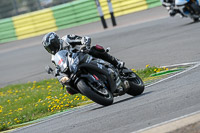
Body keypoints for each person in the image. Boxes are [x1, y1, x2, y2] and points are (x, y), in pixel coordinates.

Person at [42, 32, 124, 94]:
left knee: (96, 49)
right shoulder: (54, 58)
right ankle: (92, 90)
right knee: (69, 89)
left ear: (56, 40)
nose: (52, 48)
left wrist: (85, 43)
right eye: (49, 48)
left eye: (52, 45)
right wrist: (56, 72)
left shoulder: (66, 39)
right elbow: (60, 68)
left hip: (83, 55)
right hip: (73, 68)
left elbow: (82, 39)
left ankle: (117, 63)